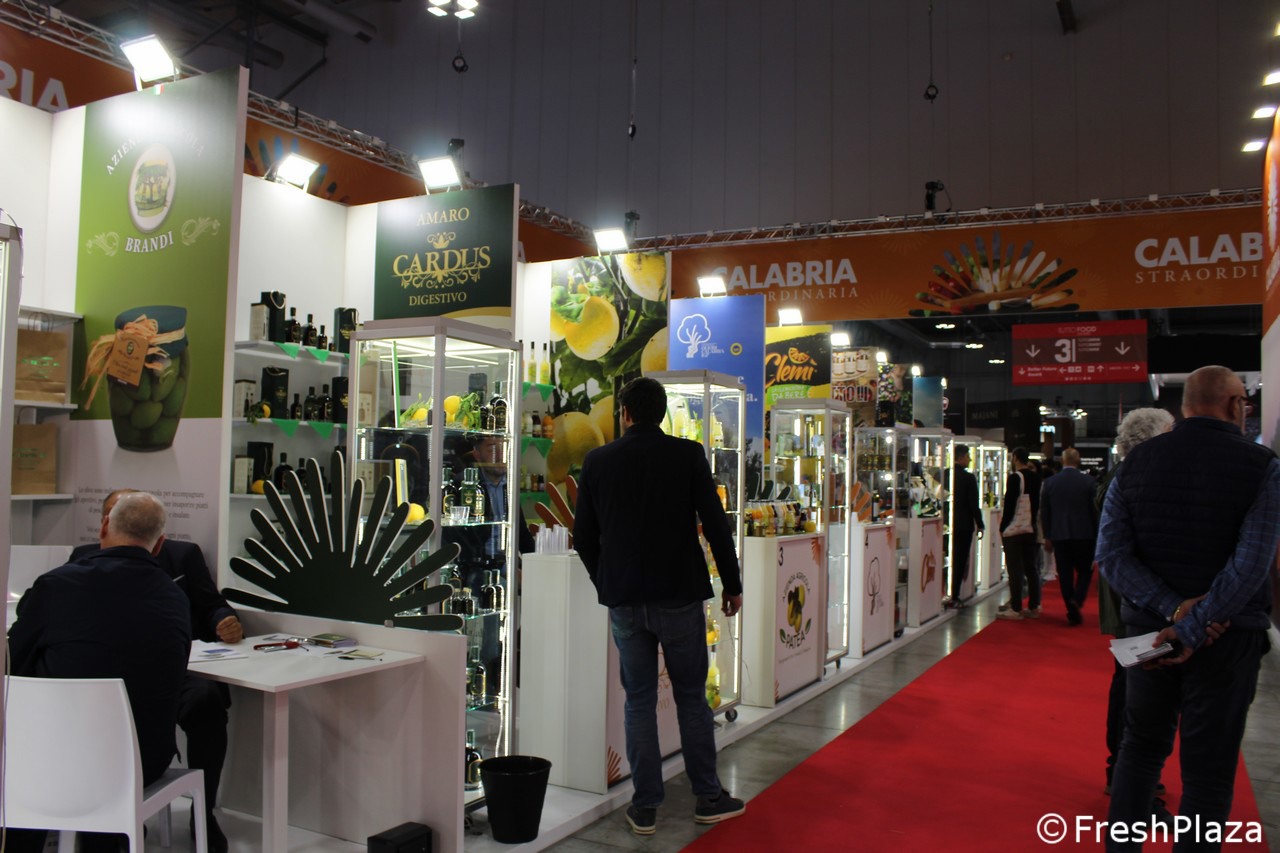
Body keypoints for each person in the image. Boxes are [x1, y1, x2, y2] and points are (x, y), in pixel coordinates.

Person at [1097, 366, 1278, 851]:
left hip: (1149, 636)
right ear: (1236, 405)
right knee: (1209, 770)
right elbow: (1253, 562)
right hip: (1227, 638)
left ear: (1184, 407)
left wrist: (1173, 610)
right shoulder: (1262, 466)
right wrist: (1195, 623)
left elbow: (1111, 556)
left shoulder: (1136, 463)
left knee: (1139, 751)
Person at [573, 377, 746, 836]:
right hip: (679, 594)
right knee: (691, 697)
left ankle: (645, 805)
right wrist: (732, 585)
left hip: (625, 600)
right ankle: (708, 797)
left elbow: (584, 537)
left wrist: (605, 581)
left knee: (639, 701)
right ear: (662, 413)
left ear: (625, 414)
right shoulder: (687, 455)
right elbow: (715, 524)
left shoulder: (598, 461)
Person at [8, 492, 191, 853]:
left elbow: (13, 663)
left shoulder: (57, 586)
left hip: (55, 757)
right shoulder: (176, 600)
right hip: (140, 762)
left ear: (104, 526)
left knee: (22, 757)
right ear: (159, 545)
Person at [69, 489, 241, 853]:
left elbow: (211, 604)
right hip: (108, 678)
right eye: (119, 513)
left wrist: (224, 619)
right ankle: (114, 817)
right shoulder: (82, 560)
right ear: (105, 524)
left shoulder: (183, 556)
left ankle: (203, 812)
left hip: (177, 670)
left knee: (207, 701)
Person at [1094, 407, 1174, 798]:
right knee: (1135, 689)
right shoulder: (1131, 479)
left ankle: (1127, 772)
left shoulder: (1121, 476)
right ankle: (1127, 774)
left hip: (1134, 601)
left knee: (1134, 685)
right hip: (1138, 603)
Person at [1039, 447, 1099, 626]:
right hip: (1085, 534)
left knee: (1064, 573)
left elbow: (1045, 512)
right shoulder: (1089, 482)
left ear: (1062, 461)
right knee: (1085, 570)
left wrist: (1047, 535)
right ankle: (1077, 598)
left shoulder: (1050, 483)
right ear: (1078, 460)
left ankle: (1070, 605)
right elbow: (1095, 512)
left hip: (1059, 534)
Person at [997, 447, 1042, 620]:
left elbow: (1010, 505)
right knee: (1031, 568)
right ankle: (1034, 605)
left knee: (1015, 569)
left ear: (1015, 458)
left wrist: (1003, 527)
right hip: (1030, 528)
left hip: (1015, 529)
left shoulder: (1016, 478)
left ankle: (1016, 607)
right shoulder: (1036, 478)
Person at [947, 444, 984, 608]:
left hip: (947, 525)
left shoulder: (944, 475)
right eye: (968, 456)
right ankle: (955, 595)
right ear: (961, 457)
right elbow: (973, 504)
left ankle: (946, 593)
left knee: (948, 560)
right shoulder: (969, 478)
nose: (969, 460)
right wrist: (980, 524)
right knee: (960, 561)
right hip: (964, 526)